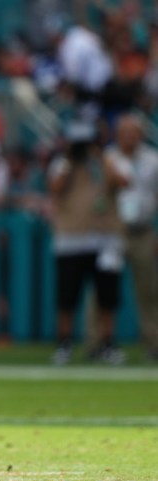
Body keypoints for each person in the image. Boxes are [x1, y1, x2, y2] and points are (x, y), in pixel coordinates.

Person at [47, 120, 127, 365]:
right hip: (71, 238)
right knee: (67, 296)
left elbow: (124, 182)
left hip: (104, 238)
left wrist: (99, 156)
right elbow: (54, 188)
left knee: (107, 295)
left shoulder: (107, 160)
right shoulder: (63, 163)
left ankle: (107, 343)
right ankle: (64, 343)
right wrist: (71, 160)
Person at [104, 113, 158, 362]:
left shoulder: (152, 160)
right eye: (125, 132)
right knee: (104, 289)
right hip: (113, 231)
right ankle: (99, 343)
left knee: (149, 290)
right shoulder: (107, 159)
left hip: (143, 230)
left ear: (142, 134)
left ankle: (154, 343)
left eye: (134, 132)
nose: (129, 137)